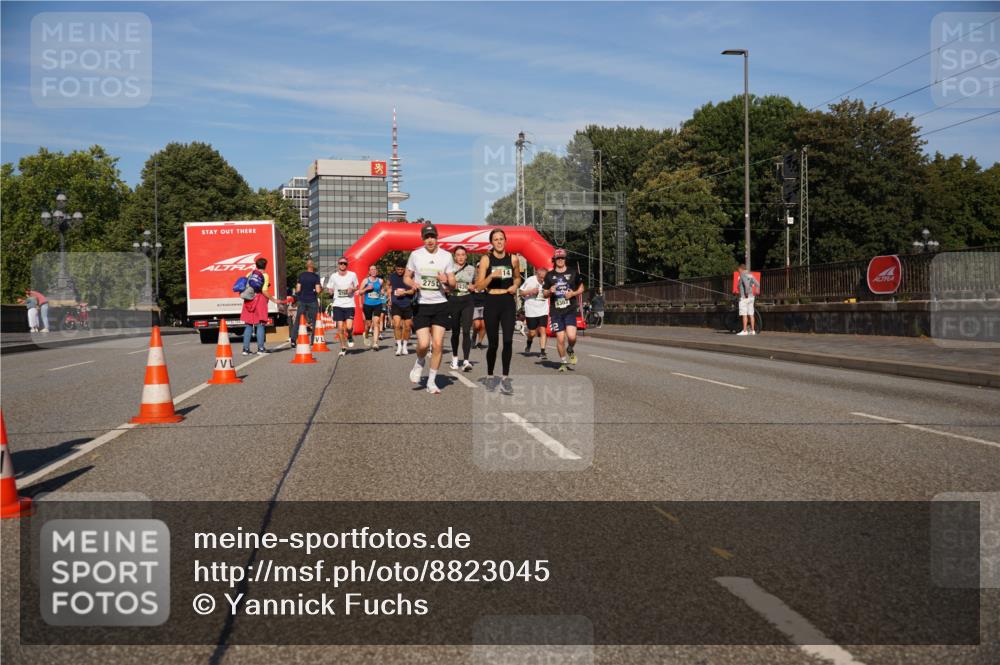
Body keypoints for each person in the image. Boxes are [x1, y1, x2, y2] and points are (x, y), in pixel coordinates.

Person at [405, 222, 456, 394]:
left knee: (438, 344)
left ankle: (432, 381)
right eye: (427, 237)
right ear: (423, 239)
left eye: (432, 236)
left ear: (437, 237)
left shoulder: (446, 256)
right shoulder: (415, 255)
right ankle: (419, 361)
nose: (430, 240)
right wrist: (412, 283)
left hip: (440, 304)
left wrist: (446, 279)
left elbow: (453, 283)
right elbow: (406, 277)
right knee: (424, 344)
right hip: (422, 305)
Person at [474, 228, 521, 394]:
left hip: (507, 301)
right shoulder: (486, 259)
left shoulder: (513, 259)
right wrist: (492, 276)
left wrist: (515, 286)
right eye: (496, 239)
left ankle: (505, 378)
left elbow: (517, 277)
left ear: (505, 241)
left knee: (508, 341)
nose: (499, 242)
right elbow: (479, 286)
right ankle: (490, 375)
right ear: (491, 242)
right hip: (492, 301)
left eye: (502, 239)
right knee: (493, 344)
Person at [543, 249, 585, 372]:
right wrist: (549, 291)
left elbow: (582, 287)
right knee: (560, 339)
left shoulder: (573, 273)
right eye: (558, 258)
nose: (560, 260)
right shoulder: (549, 275)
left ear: (565, 259)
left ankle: (570, 349)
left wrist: (573, 293)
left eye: (562, 258)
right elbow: (544, 293)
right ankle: (563, 361)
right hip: (556, 311)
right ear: (554, 260)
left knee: (571, 337)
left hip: (570, 309)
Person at [241, 257, 281, 355]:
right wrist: (274, 300)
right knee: (260, 324)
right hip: (260, 300)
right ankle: (261, 349)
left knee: (249, 325)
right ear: (265, 265)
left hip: (249, 300)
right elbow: (264, 291)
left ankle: (245, 350)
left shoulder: (249, 274)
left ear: (256, 265)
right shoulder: (265, 275)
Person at [448, 246, 476, 371]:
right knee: (455, 331)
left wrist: (473, 286)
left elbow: (477, 284)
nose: (460, 257)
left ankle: (466, 360)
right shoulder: (449, 269)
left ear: (466, 256)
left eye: (463, 254)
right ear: (455, 257)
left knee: (466, 331)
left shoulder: (472, 269)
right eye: (458, 255)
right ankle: (454, 358)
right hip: (454, 300)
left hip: (467, 301)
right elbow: (445, 284)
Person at [325, 256, 359, 356]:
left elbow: (357, 287)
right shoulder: (333, 276)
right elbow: (329, 288)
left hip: (349, 304)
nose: (343, 265)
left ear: (347, 265)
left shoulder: (352, 275)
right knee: (340, 328)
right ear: (338, 264)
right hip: (338, 304)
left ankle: (349, 336)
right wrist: (330, 291)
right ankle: (343, 347)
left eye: (344, 263)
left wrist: (352, 289)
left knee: (349, 327)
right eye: (341, 263)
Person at [519, 267, 549, 358]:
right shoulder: (530, 280)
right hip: (531, 310)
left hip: (543, 310)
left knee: (543, 330)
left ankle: (542, 352)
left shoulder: (547, 282)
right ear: (537, 275)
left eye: (545, 278)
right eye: (541, 278)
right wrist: (531, 291)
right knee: (532, 333)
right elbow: (521, 292)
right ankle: (529, 343)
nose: (543, 280)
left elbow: (548, 294)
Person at [388, 257, 415, 355]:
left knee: (407, 327)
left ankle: (404, 346)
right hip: (396, 304)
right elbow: (389, 287)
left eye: (401, 269)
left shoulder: (409, 277)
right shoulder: (392, 276)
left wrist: (404, 292)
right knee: (397, 325)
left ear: (404, 269)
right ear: (395, 268)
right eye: (398, 269)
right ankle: (399, 346)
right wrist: (389, 297)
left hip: (407, 304)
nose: (399, 271)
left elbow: (413, 290)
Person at [360, 265, 386, 351]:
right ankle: (366, 334)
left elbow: (382, 289)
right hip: (367, 304)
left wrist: (382, 292)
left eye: (375, 269)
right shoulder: (365, 280)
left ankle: (375, 343)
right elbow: (360, 292)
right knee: (368, 324)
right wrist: (366, 288)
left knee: (376, 322)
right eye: (372, 269)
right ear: (369, 272)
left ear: (377, 271)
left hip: (377, 304)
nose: (374, 271)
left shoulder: (381, 281)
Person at [295, 259, 323, 338]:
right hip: (312, 300)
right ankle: (313, 340)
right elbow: (317, 290)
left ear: (306, 266)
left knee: (298, 320)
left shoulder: (301, 275)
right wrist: (321, 289)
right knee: (315, 321)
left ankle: (293, 340)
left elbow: (298, 289)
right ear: (313, 266)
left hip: (302, 300)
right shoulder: (316, 276)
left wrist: (298, 296)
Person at [736, 263, 759, 336]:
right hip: (752, 297)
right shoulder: (750, 274)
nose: (738, 271)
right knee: (751, 314)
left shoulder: (742, 274)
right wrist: (756, 291)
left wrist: (746, 293)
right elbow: (757, 284)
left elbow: (745, 284)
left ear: (741, 269)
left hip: (744, 297)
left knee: (744, 314)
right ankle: (752, 331)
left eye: (738, 270)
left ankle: (745, 330)